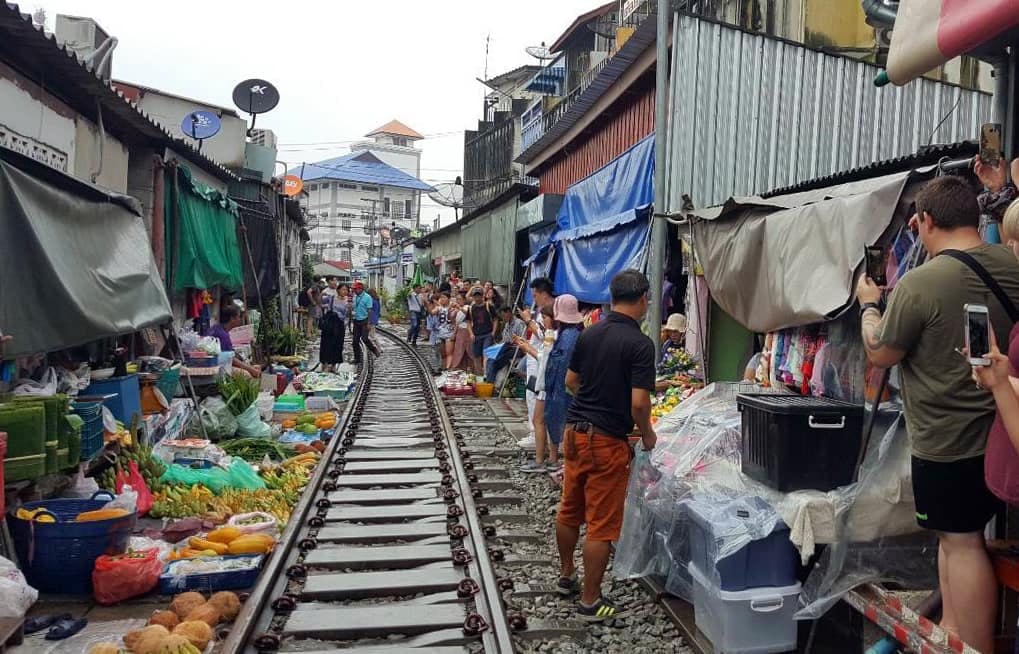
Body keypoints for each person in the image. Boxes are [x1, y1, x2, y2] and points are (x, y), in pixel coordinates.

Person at [856, 176, 1019, 654]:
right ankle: (952, 627)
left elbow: (881, 352)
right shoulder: (1010, 264)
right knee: (960, 540)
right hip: (997, 435)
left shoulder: (919, 283)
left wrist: (869, 307)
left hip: (946, 442)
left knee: (960, 542)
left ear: (925, 221)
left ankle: (970, 643)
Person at [557, 269, 656, 621]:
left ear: (612, 298)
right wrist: (646, 433)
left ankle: (567, 575)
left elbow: (571, 382)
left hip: (574, 432)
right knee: (601, 523)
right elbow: (640, 402)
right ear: (643, 298)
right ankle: (590, 600)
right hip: (606, 441)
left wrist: (594, 397)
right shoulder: (641, 344)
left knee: (570, 508)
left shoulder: (589, 333)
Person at [542, 295, 584, 470]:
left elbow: (559, 365)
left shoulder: (567, 338)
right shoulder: (575, 334)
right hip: (565, 387)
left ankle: (567, 464)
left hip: (562, 387)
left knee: (564, 423)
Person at [515, 311, 556, 472]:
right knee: (547, 420)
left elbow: (545, 358)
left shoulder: (553, 335)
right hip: (547, 383)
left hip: (546, 384)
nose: (542, 322)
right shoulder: (554, 334)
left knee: (540, 420)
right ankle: (550, 458)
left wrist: (528, 348)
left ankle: (542, 459)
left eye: (545, 318)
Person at [518, 277, 556, 451]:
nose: (534, 299)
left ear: (543, 293)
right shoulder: (543, 310)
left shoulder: (550, 311)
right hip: (535, 358)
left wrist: (527, 320)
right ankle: (536, 434)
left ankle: (536, 435)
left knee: (535, 398)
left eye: (535, 295)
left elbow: (545, 334)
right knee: (531, 397)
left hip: (541, 359)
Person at [208, 305, 261, 378]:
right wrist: (251, 370)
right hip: (218, 367)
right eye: (238, 317)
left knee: (255, 367)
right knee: (247, 375)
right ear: (232, 318)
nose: (240, 319)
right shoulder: (222, 335)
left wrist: (250, 367)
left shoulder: (217, 329)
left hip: (218, 364)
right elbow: (231, 359)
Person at [319, 282, 349, 371]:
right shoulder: (331, 298)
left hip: (339, 325)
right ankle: (324, 363)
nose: (345, 291)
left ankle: (333, 365)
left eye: (347, 290)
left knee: (338, 345)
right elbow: (320, 302)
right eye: (343, 289)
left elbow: (347, 315)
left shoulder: (348, 301)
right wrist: (321, 294)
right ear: (338, 290)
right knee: (326, 344)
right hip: (329, 324)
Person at [468, 287, 496, 376]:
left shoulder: (488, 306)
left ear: (482, 296)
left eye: (478, 296)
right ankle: (479, 375)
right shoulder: (471, 308)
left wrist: (493, 332)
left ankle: (486, 375)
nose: (477, 298)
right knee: (476, 356)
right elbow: (468, 322)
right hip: (476, 334)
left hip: (487, 333)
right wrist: (471, 333)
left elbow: (495, 319)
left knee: (486, 354)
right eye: (475, 296)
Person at [351, 281, 380, 365]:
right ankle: (357, 358)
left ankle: (374, 350)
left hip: (364, 320)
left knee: (365, 339)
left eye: (356, 289)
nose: (354, 290)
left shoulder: (367, 297)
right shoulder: (355, 297)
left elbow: (369, 311)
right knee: (355, 341)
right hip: (356, 320)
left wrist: (368, 323)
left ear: (360, 289)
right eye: (354, 289)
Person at [432, 293, 454, 369]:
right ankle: (443, 368)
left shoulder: (453, 307)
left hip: (449, 333)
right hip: (441, 333)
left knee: (449, 353)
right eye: (441, 297)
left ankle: (448, 368)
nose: (442, 299)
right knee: (443, 353)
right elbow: (432, 312)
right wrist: (427, 303)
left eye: (444, 297)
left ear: (448, 298)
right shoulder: (439, 308)